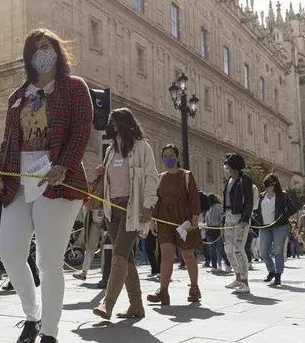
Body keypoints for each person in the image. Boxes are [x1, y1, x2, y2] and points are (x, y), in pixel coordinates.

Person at [0, 29, 92, 343]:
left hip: (58, 180)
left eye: (47, 46)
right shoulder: (17, 96)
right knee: (10, 253)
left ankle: (49, 332)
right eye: (35, 48)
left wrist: (64, 165)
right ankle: (32, 315)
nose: (42, 52)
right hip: (20, 181)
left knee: (48, 261)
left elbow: (81, 130)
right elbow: (8, 143)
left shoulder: (74, 88)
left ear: (58, 50)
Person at [92, 109, 159, 320]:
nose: (113, 127)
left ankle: (107, 304)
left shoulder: (142, 148)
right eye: (112, 123)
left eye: (116, 123)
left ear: (127, 124)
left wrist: (148, 206)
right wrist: (102, 174)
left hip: (133, 209)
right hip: (113, 209)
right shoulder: (110, 151)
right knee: (127, 258)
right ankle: (136, 306)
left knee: (119, 253)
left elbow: (151, 178)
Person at [146, 143, 201, 306]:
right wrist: (152, 219)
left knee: (188, 254)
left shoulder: (186, 175)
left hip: (183, 220)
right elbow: (157, 200)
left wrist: (195, 215)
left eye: (171, 155)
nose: (168, 158)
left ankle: (194, 288)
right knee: (166, 255)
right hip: (164, 220)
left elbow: (194, 197)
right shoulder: (160, 177)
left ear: (177, 156)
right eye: (165, 156)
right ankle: (163, 291)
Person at [253, 174, 296, 286]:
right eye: (267, 185)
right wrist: (257, 219)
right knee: (263, 252)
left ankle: (278, 274)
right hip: (265, 227)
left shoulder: (283, 195)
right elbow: (257, 210)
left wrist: (283, 216)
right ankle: (271, 270)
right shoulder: (262, 196)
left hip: (279, 226)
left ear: (275, 184)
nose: (269, 187)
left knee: (278, 250)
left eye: (271, 184)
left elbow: (293, 208)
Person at [221, 153, 254, 294]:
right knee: (228, 250)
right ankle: (238, 278)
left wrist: (244, 219)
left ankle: (245, 282)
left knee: (238, 249)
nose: (226, 167)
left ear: (234, 165)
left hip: (240, 218)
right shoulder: (229, 180)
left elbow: (249, 201)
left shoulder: (245, 180)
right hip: (228, 217)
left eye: (228, 164)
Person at [73, 204, 104, 281]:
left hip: (106, 219)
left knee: (106, 248)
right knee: (90, 247)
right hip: (94, 220)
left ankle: (105, 273)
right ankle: (84, 272)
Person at [206, 194, 224, 273]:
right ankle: (214, 266)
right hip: (210, 230)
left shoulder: (219, 206)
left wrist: (222, 229)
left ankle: (228, 263)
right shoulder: (209, 208)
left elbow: (221, 218)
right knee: (212, 249)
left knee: (220, 249)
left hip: (217, 229)